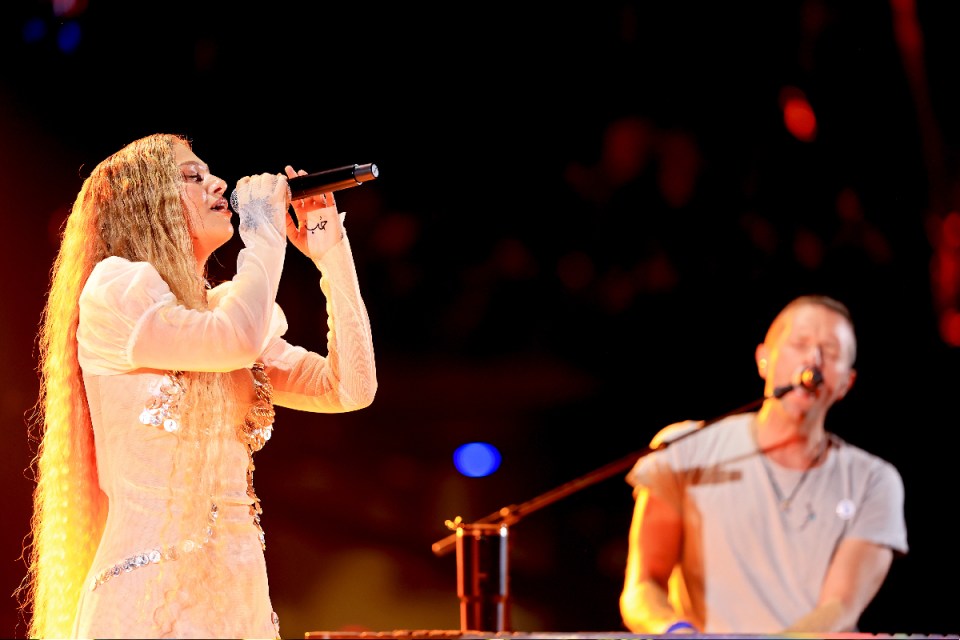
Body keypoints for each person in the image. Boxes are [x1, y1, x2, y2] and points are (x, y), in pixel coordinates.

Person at [16, 133, 377, 639]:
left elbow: (350, 387)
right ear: (144, 203)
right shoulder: (117, 292)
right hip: (150, 602)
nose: (219, 184)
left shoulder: (225, 314)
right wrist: (262, 229)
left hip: (240, 605)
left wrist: (330, 251)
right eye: (193, 176)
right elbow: (232, 340)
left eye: (209, 173)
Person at [619, 294, 908, 634]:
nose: (812, 361)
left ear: (846, 383)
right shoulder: (685, 449)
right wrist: (675, 631)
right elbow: (643, 587)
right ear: (763, 360)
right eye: (799, 344)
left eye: (830, 352)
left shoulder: (873, 481)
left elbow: (840, 606)